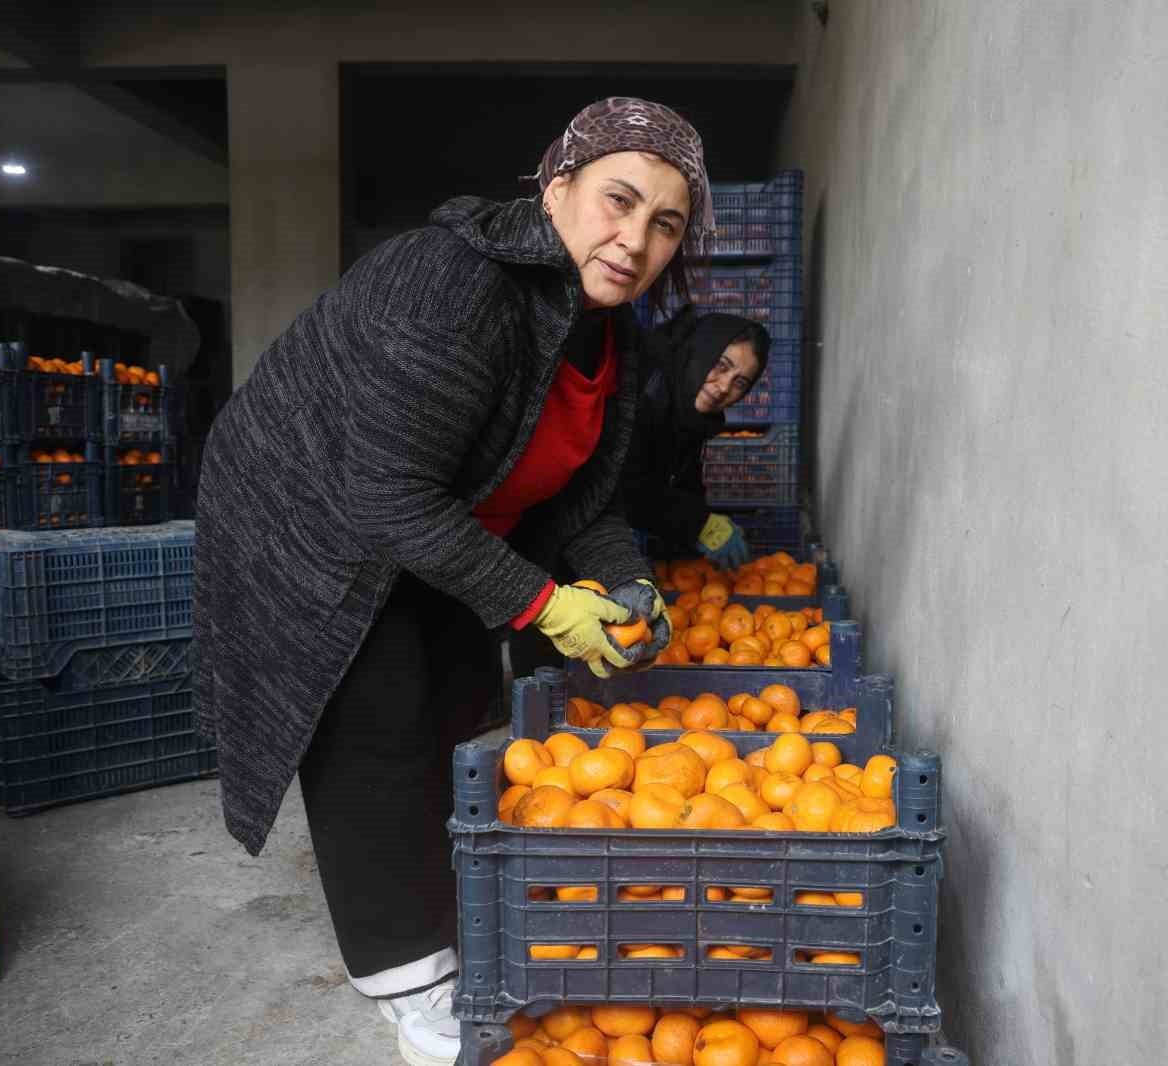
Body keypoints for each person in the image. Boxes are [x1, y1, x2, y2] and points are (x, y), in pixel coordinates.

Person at [192, 97, 714, 1066]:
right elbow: (383, 490)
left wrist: (625, 584)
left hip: (435, 512)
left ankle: (450, 900)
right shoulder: (457, 279)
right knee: (373, 721)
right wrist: (543, 600)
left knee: (452, 700)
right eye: (618, 199)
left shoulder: (612, 331)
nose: (633, 237)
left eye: (665, 223)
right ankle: (407, 982)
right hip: (310, 510)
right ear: (557, 185)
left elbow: (585, 496)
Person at [622, 305, 771, 568]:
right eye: (721, 365)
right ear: (700, 352)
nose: (725, 387)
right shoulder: (645, 389)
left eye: (740, 383)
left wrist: (703, 525)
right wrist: (699, 524)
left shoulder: (690, 414)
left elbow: (682, 475)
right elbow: (623, 487)